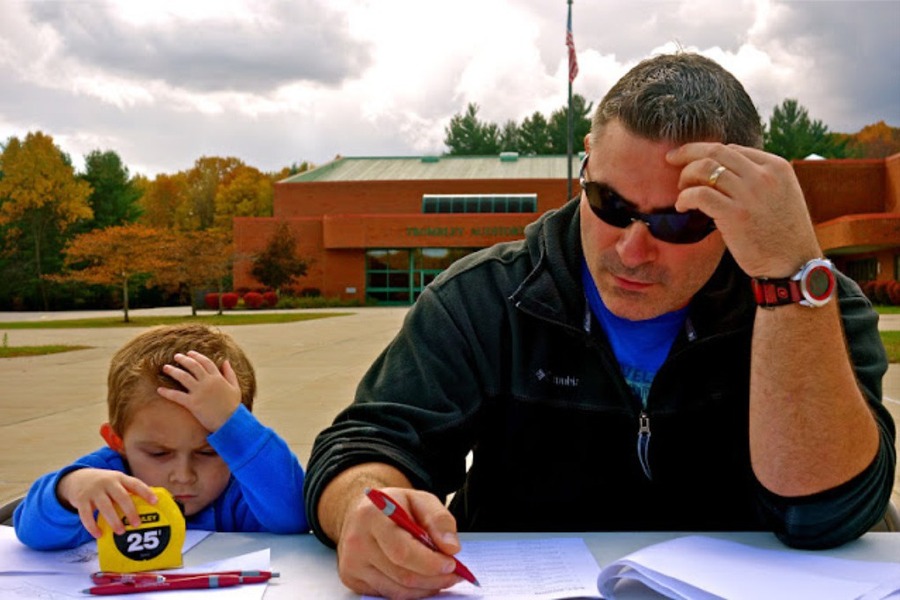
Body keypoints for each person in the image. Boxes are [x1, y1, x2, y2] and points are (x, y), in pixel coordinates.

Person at [304, 52, 896, 598]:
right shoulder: (489, 297)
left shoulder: (811, 305)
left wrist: (786, 282)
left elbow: (824, 511)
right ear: (586, 160)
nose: (632, 250)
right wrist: (363, 504)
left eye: (679, 223)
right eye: (609, 204)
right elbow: (369, 443)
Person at [14, 323, 309, 550]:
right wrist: (70, 489)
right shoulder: (109, 483)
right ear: (117, 442)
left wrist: (233, 426)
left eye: (208, 452)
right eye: (159, 454)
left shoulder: (243, 491)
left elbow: (296, 515)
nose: (183, 476)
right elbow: (30, 531)